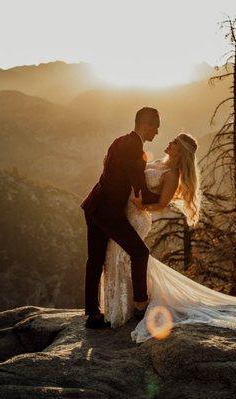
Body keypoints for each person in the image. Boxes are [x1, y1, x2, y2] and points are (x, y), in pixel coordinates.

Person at [98, 132, 236, 342]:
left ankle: (129, 307)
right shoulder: (160, 165)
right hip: (126, 213)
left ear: (180, 152)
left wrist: (141, 205)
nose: (169, 142)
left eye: (174, 142)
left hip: (137, 218)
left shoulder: (172, 175)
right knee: (117, 254)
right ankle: (123, 305)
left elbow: (162, 205)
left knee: (124, 256)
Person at [81, 107, 161, 329]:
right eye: (156, 128)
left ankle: (92, 314)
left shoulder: (120, 141)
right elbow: (141, 192)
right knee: (140, 252)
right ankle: (140, 306)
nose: (157, 133)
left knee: (95, 260)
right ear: (146, 125)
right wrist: (167, 197)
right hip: (109, 212)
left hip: (94, 205)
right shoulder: (135, 148)